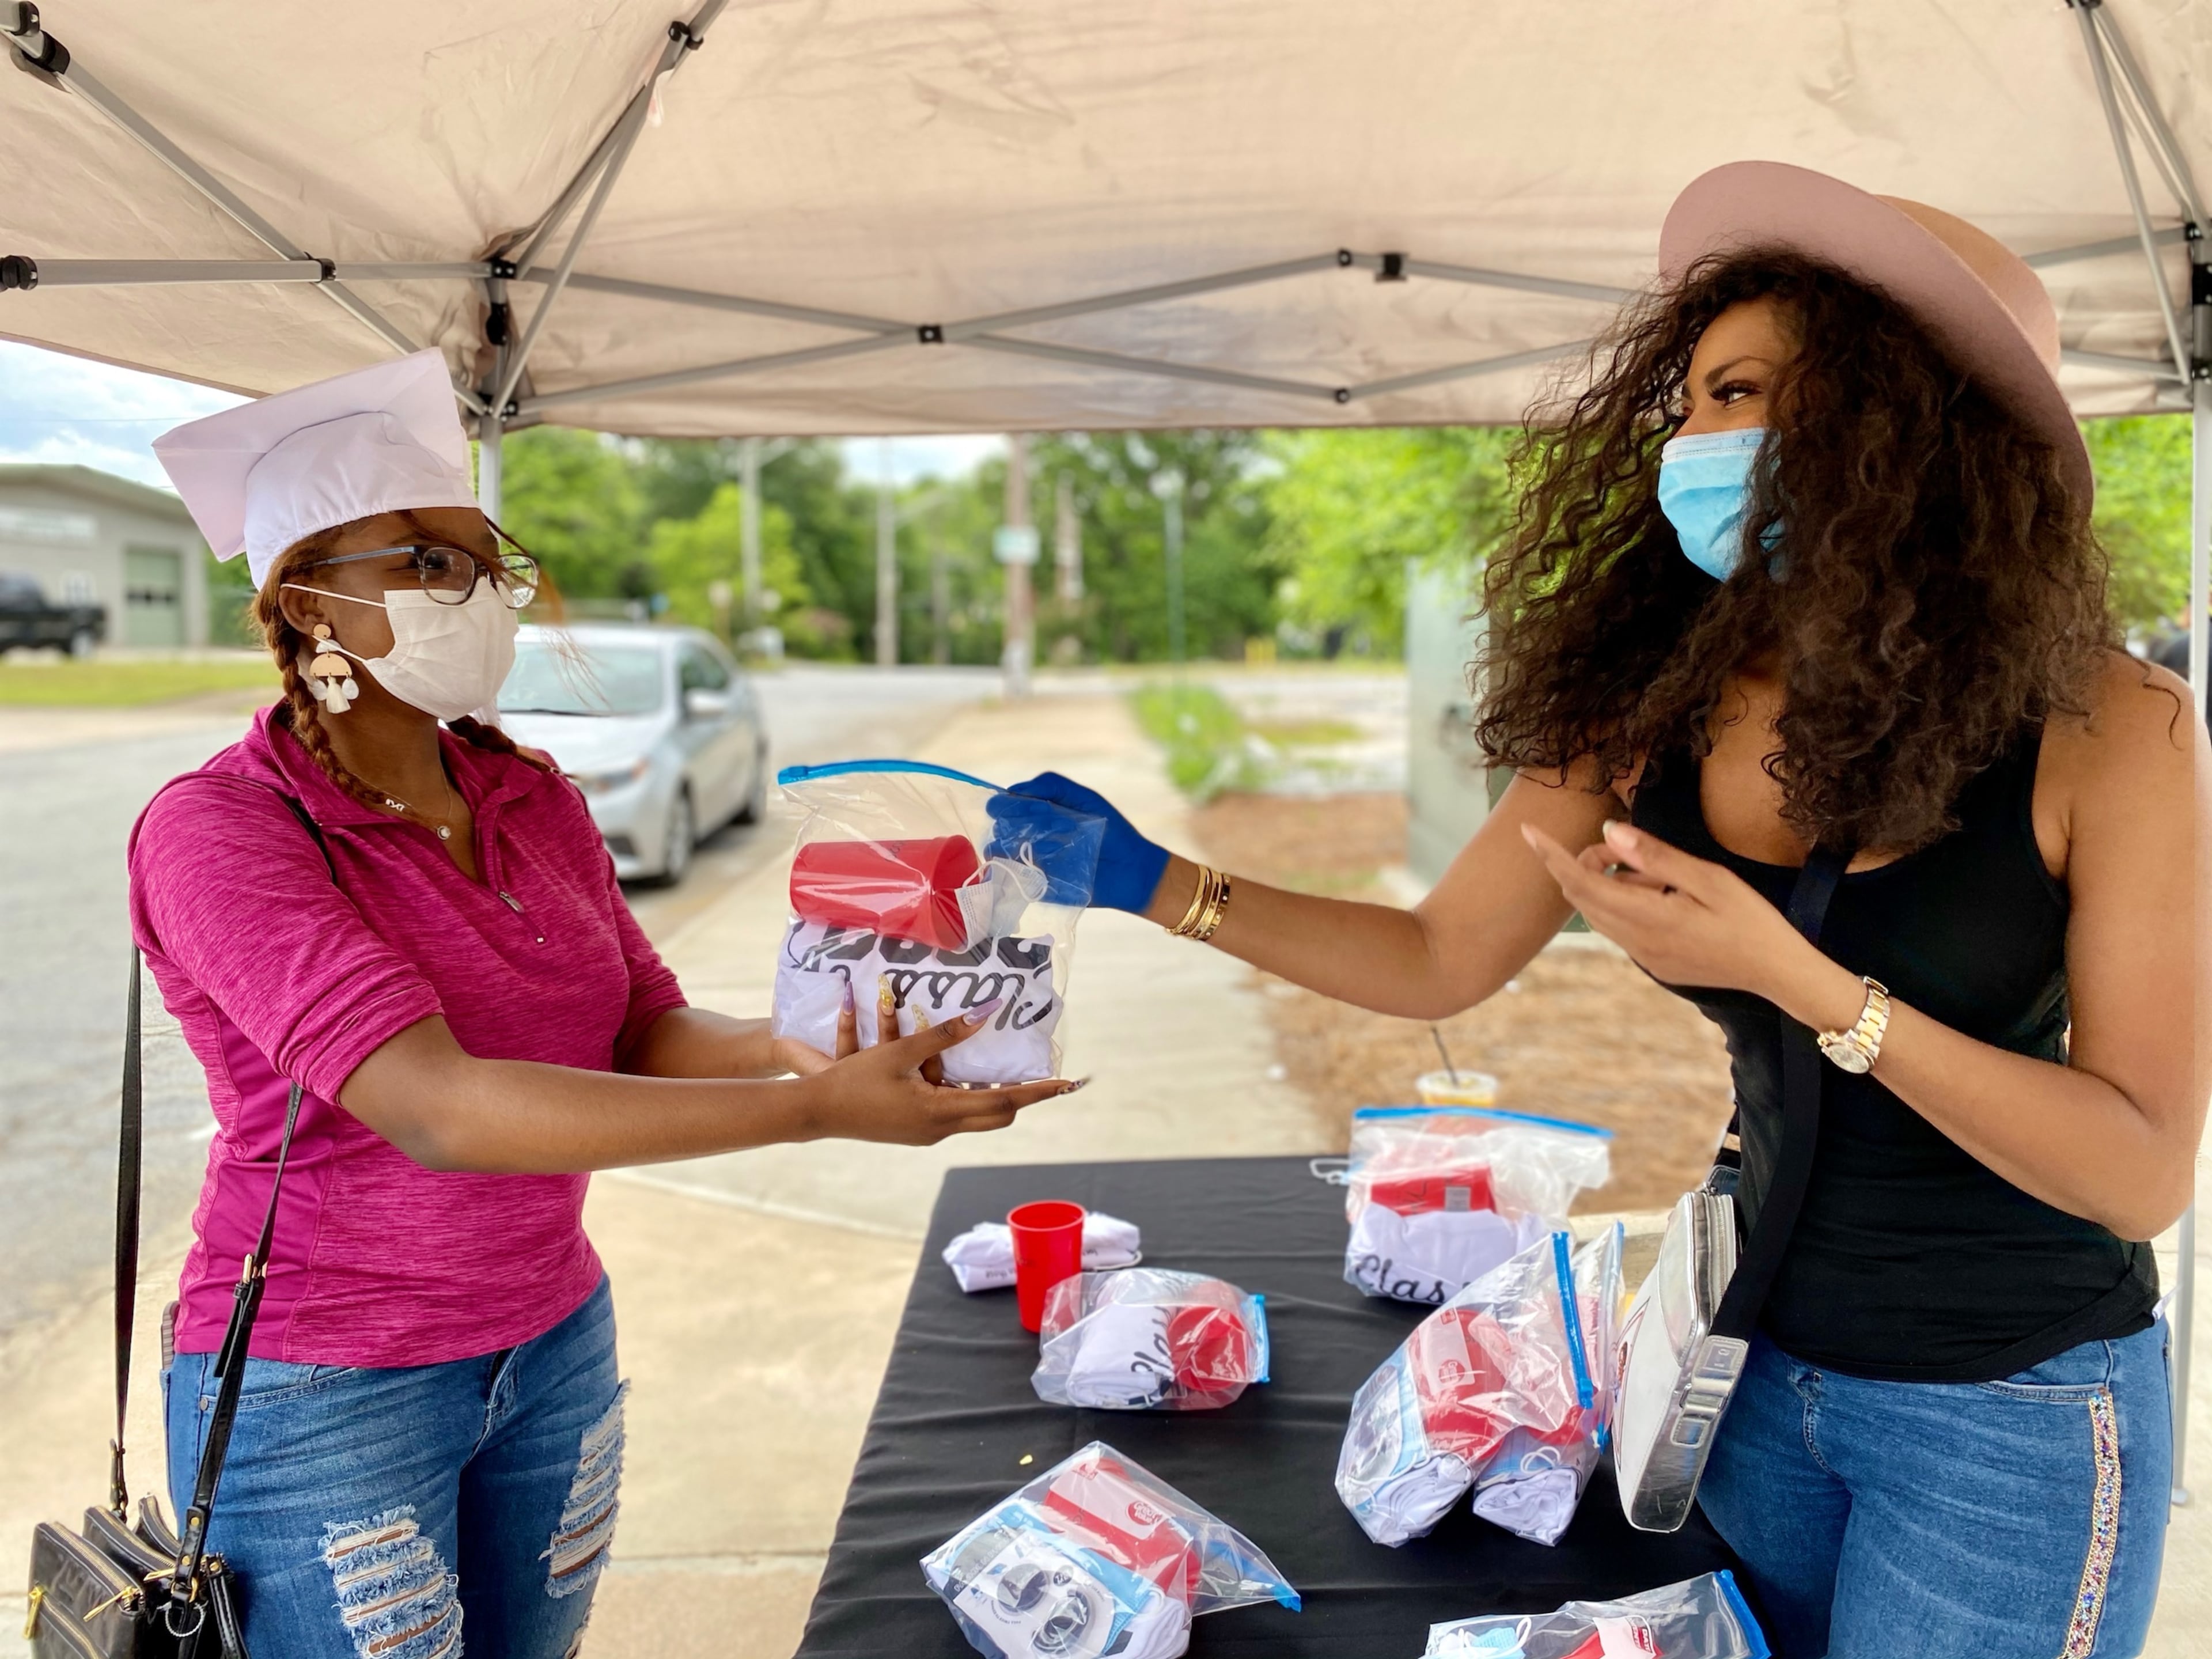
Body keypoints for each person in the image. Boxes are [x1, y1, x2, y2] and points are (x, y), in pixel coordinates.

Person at [993, 163, 2209, 1658]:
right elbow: (1442, 952)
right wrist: (1160, 884)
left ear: (1903, 426)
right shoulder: (1652, 705)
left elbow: (2141, 1172)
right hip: (1755, 1373)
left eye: (1749, 395)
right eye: (1692, 402)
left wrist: (1800, 979)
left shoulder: (2113, 728)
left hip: (2010, 1410)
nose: (1699, 443)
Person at [134, 351, 1073, 1659]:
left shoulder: (533, 801)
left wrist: (828, 1041)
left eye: (485, 564)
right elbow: (441, 1109)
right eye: (423, 562)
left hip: (552, 1341)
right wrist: (808, 1114)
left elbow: (643, 1027)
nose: (477, 598)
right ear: (304, 605)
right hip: (326, 1381)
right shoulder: (225, 831)